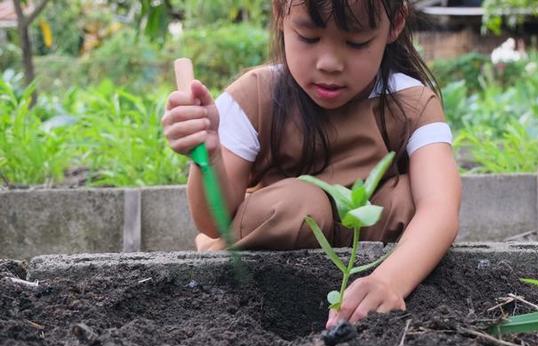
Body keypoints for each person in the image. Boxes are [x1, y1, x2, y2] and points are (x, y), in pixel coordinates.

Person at [161, 0, 461, 328]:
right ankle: (219, 260)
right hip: (282, 236)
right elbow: (211, 220)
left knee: (407, 201)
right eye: (308, 37)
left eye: (356, 42)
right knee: (300, 206)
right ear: (280, 14)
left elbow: (440, 208)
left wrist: (388, 281)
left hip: (370, 250)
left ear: (395, 24)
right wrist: (208, 158)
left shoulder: (412, 104)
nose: (329, 63)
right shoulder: (255, 97)